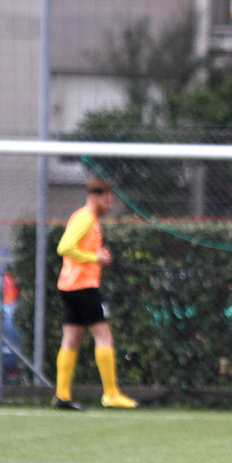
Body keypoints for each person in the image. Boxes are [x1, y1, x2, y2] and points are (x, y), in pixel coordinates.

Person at [51, 173, 138, 411]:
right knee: (104, 336)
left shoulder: (87, 218)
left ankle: (62, 396)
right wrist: (95, 257)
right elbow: (64, 247)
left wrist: (96, 257)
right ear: (94, 198)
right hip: (82, 287)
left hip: (70, 286)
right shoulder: (85, 219)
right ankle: (110, 394)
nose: (110, 206)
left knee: (71, 338)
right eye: (107, 201)